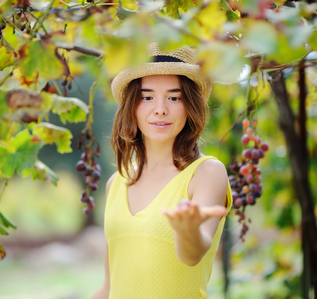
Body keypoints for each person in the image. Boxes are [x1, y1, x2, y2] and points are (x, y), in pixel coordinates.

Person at [91, 43, 232, 299]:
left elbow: (194, 255)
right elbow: (108, 287)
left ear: (190, 105)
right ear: (132, 105)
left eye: (174, 97)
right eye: (147, 97)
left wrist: (187, 232)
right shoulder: (116, 183)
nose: (160, 109)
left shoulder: (206, 172)